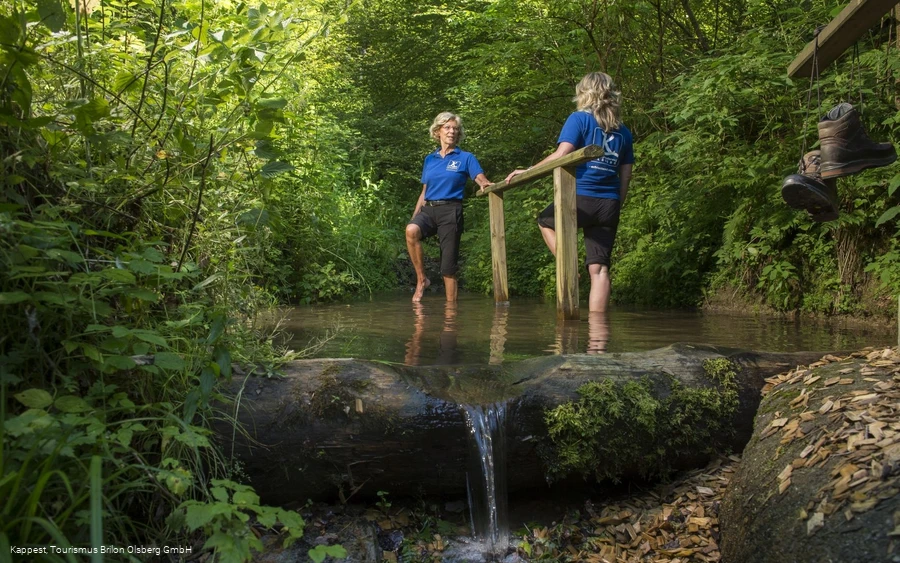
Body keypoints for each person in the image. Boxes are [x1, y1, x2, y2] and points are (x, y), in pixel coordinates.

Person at [504, 72, 634, 312]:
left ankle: (569, 264)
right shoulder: (623, 132)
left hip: (581, 197)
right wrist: (618, 203)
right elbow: (626, 176)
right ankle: (597, 332)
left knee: (545, 221)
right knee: (600, 269)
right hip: (609, 202)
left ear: (585, 93)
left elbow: (562, 154)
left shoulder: (579, 119)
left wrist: (528, 171)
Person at [407, 112, 493, 302]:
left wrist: (484, 183)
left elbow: (479, 177)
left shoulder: (466, 157)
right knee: (411, 230)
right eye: (447, 127)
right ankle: (422, 280)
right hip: (429, 209)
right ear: (438, 131)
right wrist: (415, 216)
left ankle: (451, 311)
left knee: (448, 266)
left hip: (450, 211)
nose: (452, 131)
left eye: (455, 128)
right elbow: (424, 191)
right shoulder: (430, 159)